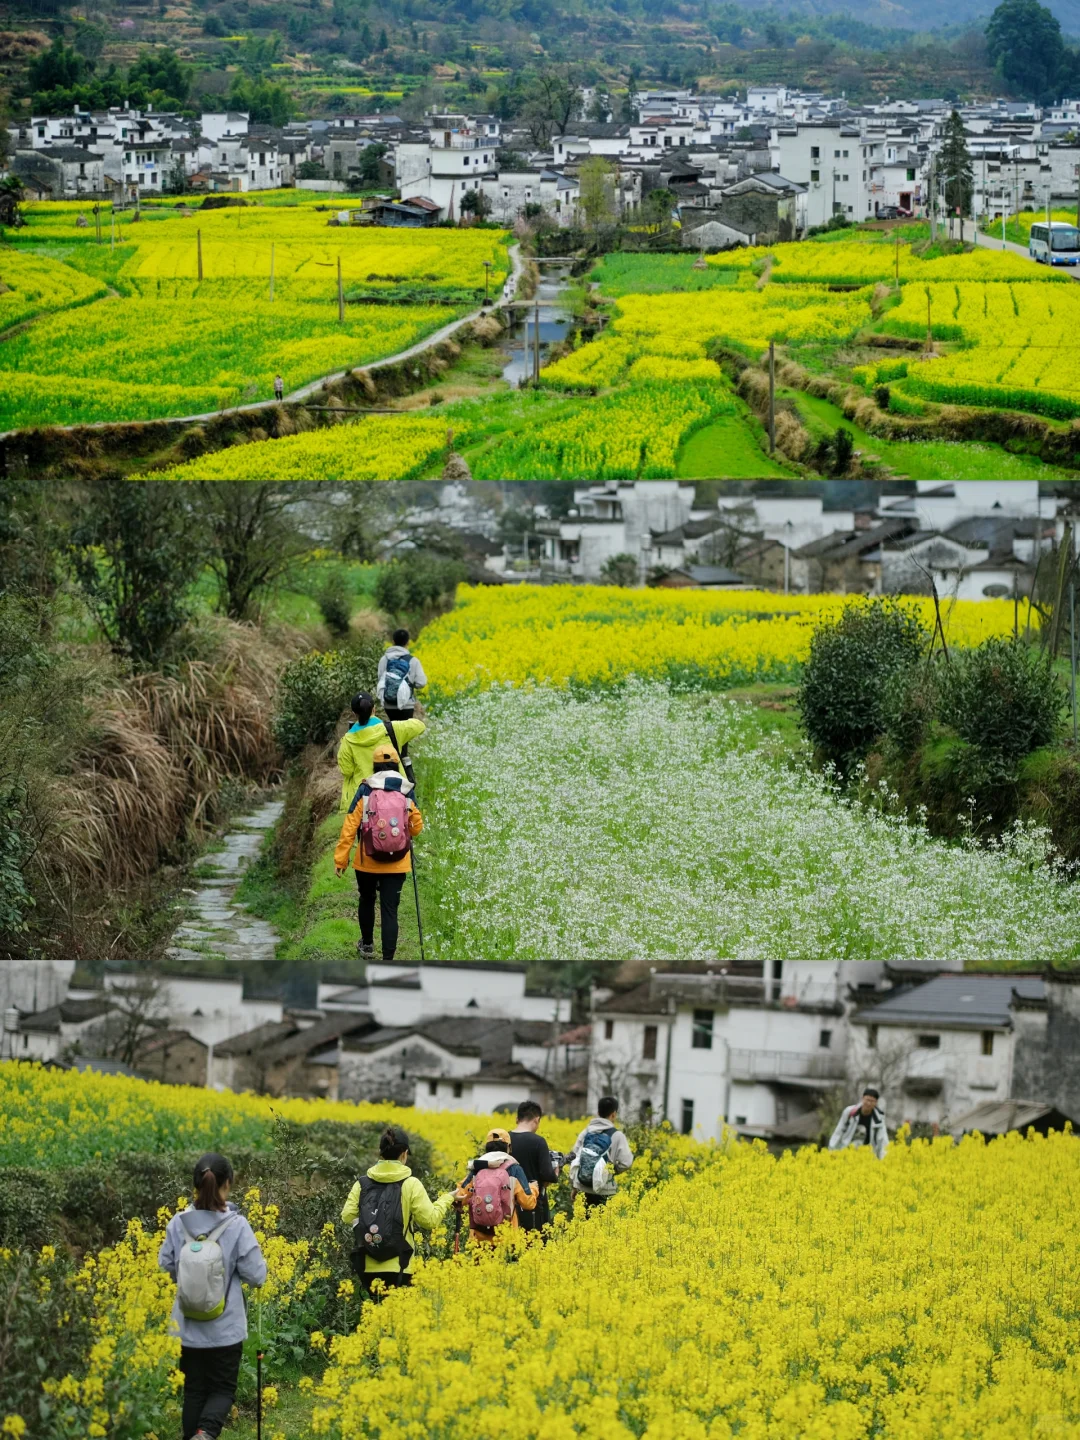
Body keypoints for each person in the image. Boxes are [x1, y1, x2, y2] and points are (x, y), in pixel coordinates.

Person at [158, 1153, 267, 1440]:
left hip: (187, 1327)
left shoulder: (178, 1224)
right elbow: (257, 1275)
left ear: (195, 1185)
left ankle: (193, 1435)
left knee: (194, 1389)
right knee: (221, 1389)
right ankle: (205, 1433)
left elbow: (166, 1266)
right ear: (227, 1184)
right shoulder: (237, 1225)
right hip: (225, 1330)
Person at [341, 1124, 455, 1298]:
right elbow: (430, 1220)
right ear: (404, 1154)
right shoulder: (411, 1184)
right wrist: (448, 1198)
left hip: (368, 1267)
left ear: (381, 1153)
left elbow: (347, 1216)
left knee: (376, 1318)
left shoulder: (362, 1184)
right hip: (401, 1266)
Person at [335, 740, 423, 959]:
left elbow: (350, 825)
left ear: (374, 766)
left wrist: (341, 858)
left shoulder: (365, 788)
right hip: (398, 861)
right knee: (390, 910)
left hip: (367, 860)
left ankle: (367, 945)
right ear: (396, 766)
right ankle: (388, 959)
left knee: (366, 899)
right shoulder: (406, 789)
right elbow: (417, 827)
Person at [337, 691, 426, 813]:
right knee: (398, 825)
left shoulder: (347, 741)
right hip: (395, 790)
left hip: (365, 796)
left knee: (368, 827)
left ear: (354, 713)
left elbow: (346, 771)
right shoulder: (392, 729)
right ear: (374, 709)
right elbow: (419, 726)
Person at [455, 1127, 538, 1245]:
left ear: (487, 1148)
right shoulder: (514, 1169)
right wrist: (534, 1188)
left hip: (479, 1240)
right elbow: (528, 1203)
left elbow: (459, 1197)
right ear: (508, 1148)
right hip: (506, 1239)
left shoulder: (477, 1168)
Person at [377, 630, 428, 786]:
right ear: (408, 642)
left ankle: (392, 769)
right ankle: (408, 777)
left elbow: (381, 679)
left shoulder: (384, 659)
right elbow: (421, 683)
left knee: (393, 735)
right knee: (403, 738)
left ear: (393, 641)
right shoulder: (413, 661)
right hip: (406, 704)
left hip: (389, 704)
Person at [569, 1096, 634, 1210]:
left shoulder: (586, 1132)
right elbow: (626, 1163)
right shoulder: (617, 1135)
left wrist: (575, 1186)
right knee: (601, 1225)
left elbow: (575, 1158)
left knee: (582, 1225)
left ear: (598, 1112)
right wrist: (610, 1171)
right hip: (605, 1190)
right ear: (614, 1114)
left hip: (582, 1189)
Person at [509, 1100, 560, 1232]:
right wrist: (556, 1171)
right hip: (532, 1204)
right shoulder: (538, 1141)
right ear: (537, 1120)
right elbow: (547, 1175)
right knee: (534, 1244)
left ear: (516, 1119)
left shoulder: (505, 1139)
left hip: (506, 1204)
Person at [829, 1087, 889, 1159]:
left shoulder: (879, 1118)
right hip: (847, 1151)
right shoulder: (850, 1112)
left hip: (867, 1154)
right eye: (867, 1100)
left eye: (872, 1101)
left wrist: (884, 1158)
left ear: (876, 1103)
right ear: (863, 1099)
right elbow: (839, 1131)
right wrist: (831, 1149)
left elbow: (882, 1138)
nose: (869, 1103)